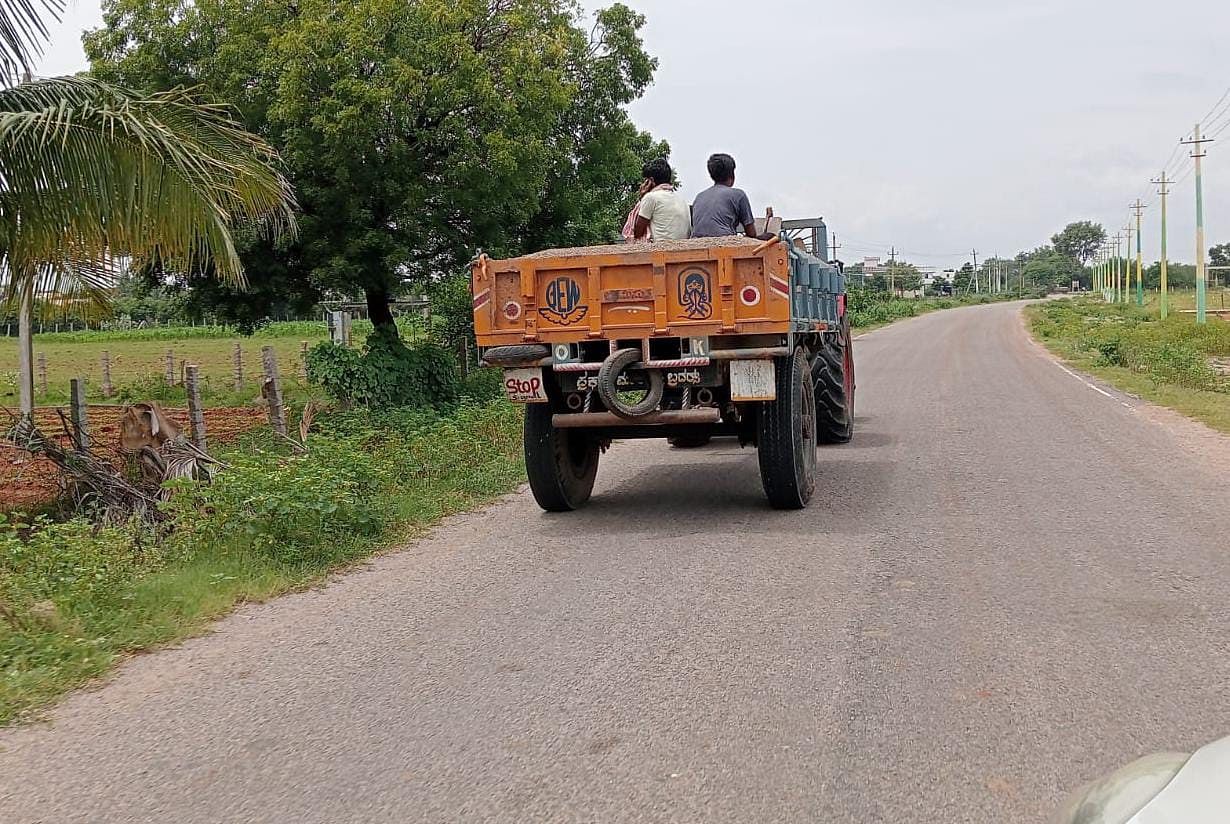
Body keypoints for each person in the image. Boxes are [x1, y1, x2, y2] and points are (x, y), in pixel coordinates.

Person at [690, 153, 759, 239]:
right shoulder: (739, 195)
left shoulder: (699, 197)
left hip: (697, 244)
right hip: (725, 244)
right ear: (732, 175)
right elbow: (751, 233)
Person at [631, 158, 691, 242]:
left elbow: (637, 233)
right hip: (683, 250)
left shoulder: (650, 198)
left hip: (661, 252)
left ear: (651, 181)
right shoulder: (682, 200)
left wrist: (641, 198)